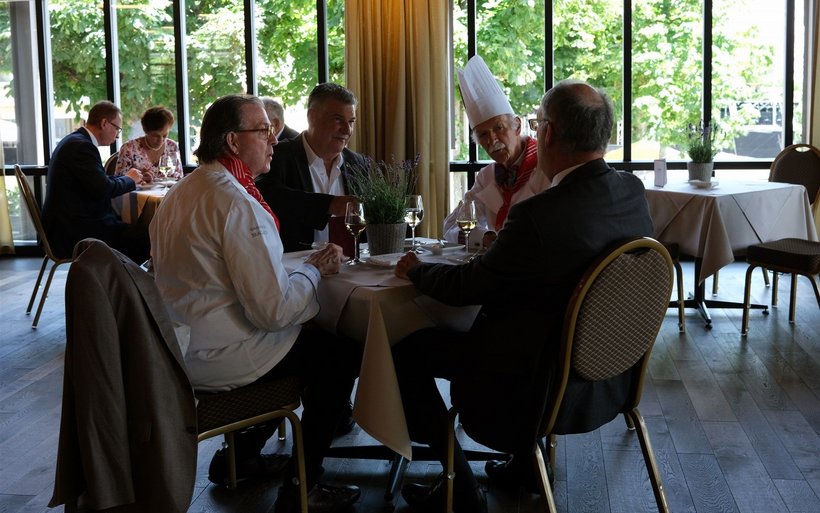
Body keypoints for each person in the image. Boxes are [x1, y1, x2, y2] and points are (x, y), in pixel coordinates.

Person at [391, 80, 654, 512]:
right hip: (611, 374)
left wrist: (418, 270)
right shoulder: (631, 191)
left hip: (536, 386)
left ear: (545, 133)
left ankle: (461, 489)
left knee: (405, 352)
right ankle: (526, 467)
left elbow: (469, 286)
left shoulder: (538, 215)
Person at [149, 94, 361, 513]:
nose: (274, 139)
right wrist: (315, 270)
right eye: (263, 131)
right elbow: (274, 312)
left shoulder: (183, 190)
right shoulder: (235, 201)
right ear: (232, 141)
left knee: (310, 340)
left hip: (178, 347)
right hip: (221, 354)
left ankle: (243, 455)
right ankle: (302, 487)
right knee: (340, 352)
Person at [443, 56, 550, 249]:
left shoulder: (546, 167)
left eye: (499, 128)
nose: (492, 140)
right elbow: (450, 226)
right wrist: (485, 236)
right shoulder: (487, 176)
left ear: (517, 126)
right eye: (483, 134)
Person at [256, 82, 364, 252]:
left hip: (351, 264)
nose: (347, 130)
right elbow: (266, 197)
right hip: (292, 264)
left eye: (351, 121)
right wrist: (330, 205)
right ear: (312, 117)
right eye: (338, 120)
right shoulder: (277, 156)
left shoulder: (358, 164)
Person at [41, 100, 150, 263]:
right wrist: (129, 180)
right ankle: (120, 278)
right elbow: (104, 189)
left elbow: (97, 181)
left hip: (69, 224)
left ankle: (116, 277)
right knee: (149, 237)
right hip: (73, 233)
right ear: (104, 123)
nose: (117, 135)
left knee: (136, 230)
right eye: (117, 128)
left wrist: (129, 178)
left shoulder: (76, 141)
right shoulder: (81, 147)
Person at [115, 106, 184, 182]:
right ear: (146, 131)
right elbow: (119, 183)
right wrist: (139, 179)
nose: (161, 140)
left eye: (165, 135)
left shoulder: (172, 146)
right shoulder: (129, 148)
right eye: (155, 136)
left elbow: (180, 178)